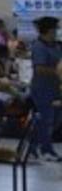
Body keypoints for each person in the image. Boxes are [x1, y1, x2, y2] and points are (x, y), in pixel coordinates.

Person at [28, 16, 61, 161]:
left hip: (56, 89)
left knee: (56, 120)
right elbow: (39, 69)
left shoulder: (56, 46)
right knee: (46, 120)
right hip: (42, 89)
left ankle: (33, 148)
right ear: (49, 30)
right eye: (55, 29)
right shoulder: (38, 46)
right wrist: (57, 71)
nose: (57, 32)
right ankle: (46, 150)